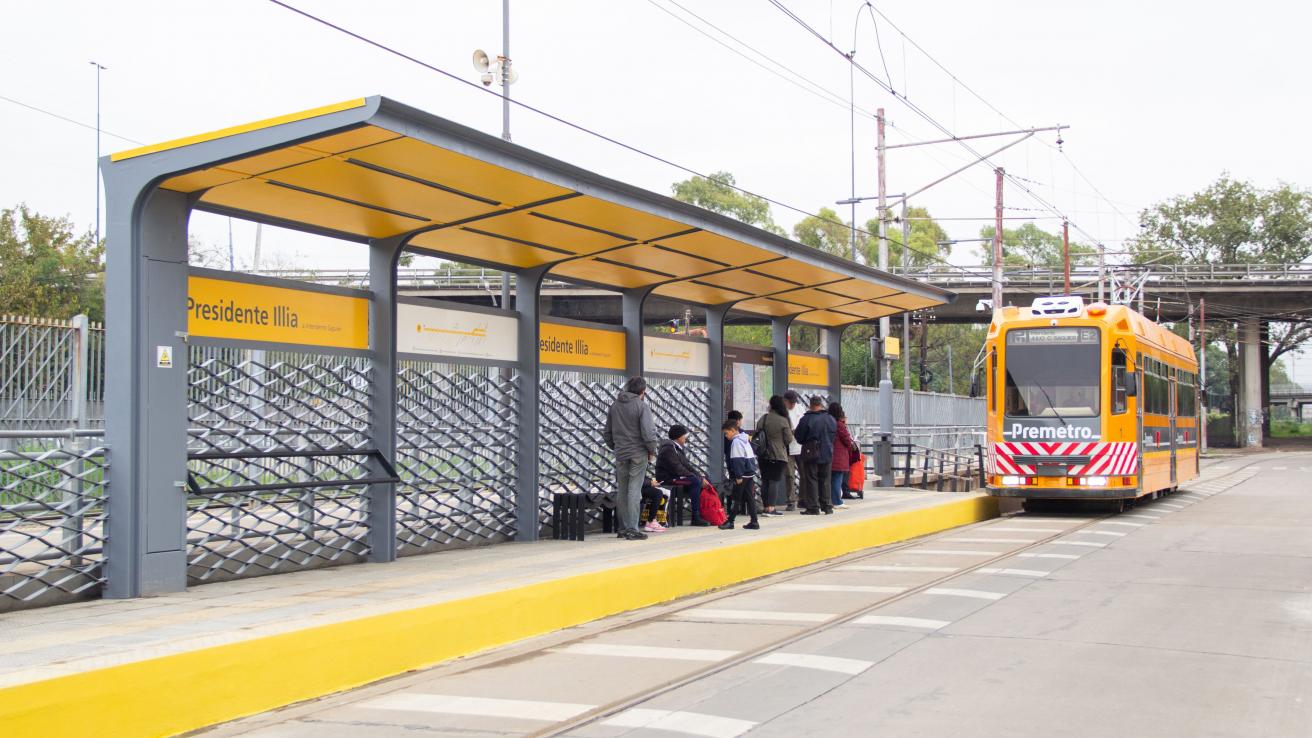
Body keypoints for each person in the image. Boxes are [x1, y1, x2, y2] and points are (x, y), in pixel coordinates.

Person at [603, 376, 659, 540]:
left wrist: (616, 447)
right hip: (638, 453)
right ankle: (633, 529)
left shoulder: (614, 406)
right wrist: (652, 450)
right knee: (634, 490)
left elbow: (607, 433)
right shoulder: (641, 406)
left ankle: (622, 528)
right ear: (643, 392)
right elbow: (648, 433)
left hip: (621, 453)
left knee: (623, 490)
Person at [655, 424, 710, 527]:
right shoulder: (669, 448)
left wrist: (701, 477)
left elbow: (687, 466)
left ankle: (702, 513)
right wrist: (698, 478)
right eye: (685, 435)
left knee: (703, 479)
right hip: (667, 479)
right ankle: (695, 517)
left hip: (676, 477)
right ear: (679, 437)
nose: (686, 438)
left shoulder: (676, 448)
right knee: (695, 481)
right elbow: (678, 469)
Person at [793, 394, 837, 515]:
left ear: (811, 405)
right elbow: (834, 435)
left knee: (811, 479)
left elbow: (799, 437)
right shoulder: (830, 419)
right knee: (825, 479)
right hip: (827, 453)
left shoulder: (806, 419)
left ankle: (813, 507)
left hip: (811, 453)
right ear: (821, 404)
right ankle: (827, 506)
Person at [755, 395, 794, 517]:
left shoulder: (763, 418)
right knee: (774, 482)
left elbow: (757, 434)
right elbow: (788, 439)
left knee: (765, 481)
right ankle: (771, 508)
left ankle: (766, 507)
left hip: (763, 455)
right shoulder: (783, 420)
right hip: (778, 455)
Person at [721, 420, 760, 530]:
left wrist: (738, 476)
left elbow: (738, 460)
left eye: (726, 433)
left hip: (742, 475)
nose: (726, 435)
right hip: (749, 473)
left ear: (732, 431)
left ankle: (730, 521)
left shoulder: (736, 442)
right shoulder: (745, 439)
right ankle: (754, 521)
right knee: (750, 498)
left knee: (735, 498)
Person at [828, 402, 858, 509]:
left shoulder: (828, 422)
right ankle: (837, 501)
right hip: (838, 456)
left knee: (831, 479)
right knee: (837, 478)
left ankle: (830, 500)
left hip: (828, 454)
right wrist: (852, 445)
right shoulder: (839, 424)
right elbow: (846, 439)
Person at [783, 391, 804, 511]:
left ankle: (803, 499)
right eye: (789, 403)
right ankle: (791, 501)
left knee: (804, 474)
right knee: (789, 475)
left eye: (793, 403)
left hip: (800, 446)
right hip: (787, 447)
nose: (791, 405)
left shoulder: (800, 409)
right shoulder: (782, 412)